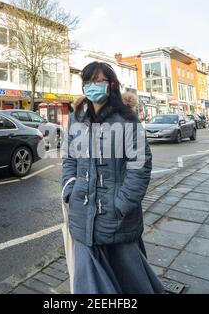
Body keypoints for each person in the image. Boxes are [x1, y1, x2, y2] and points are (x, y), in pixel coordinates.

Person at [61, 62, 164, 294]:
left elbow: (140, 166)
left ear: (112, 85)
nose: (93, 86)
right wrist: (69, 188)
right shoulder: (76, 118)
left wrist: (122, 203)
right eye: (88, 82)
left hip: (116, 216)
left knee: (130, 278)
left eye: (99, 81)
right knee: (89, 282)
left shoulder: (127, 119)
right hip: (82, 212)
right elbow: (69, 158)